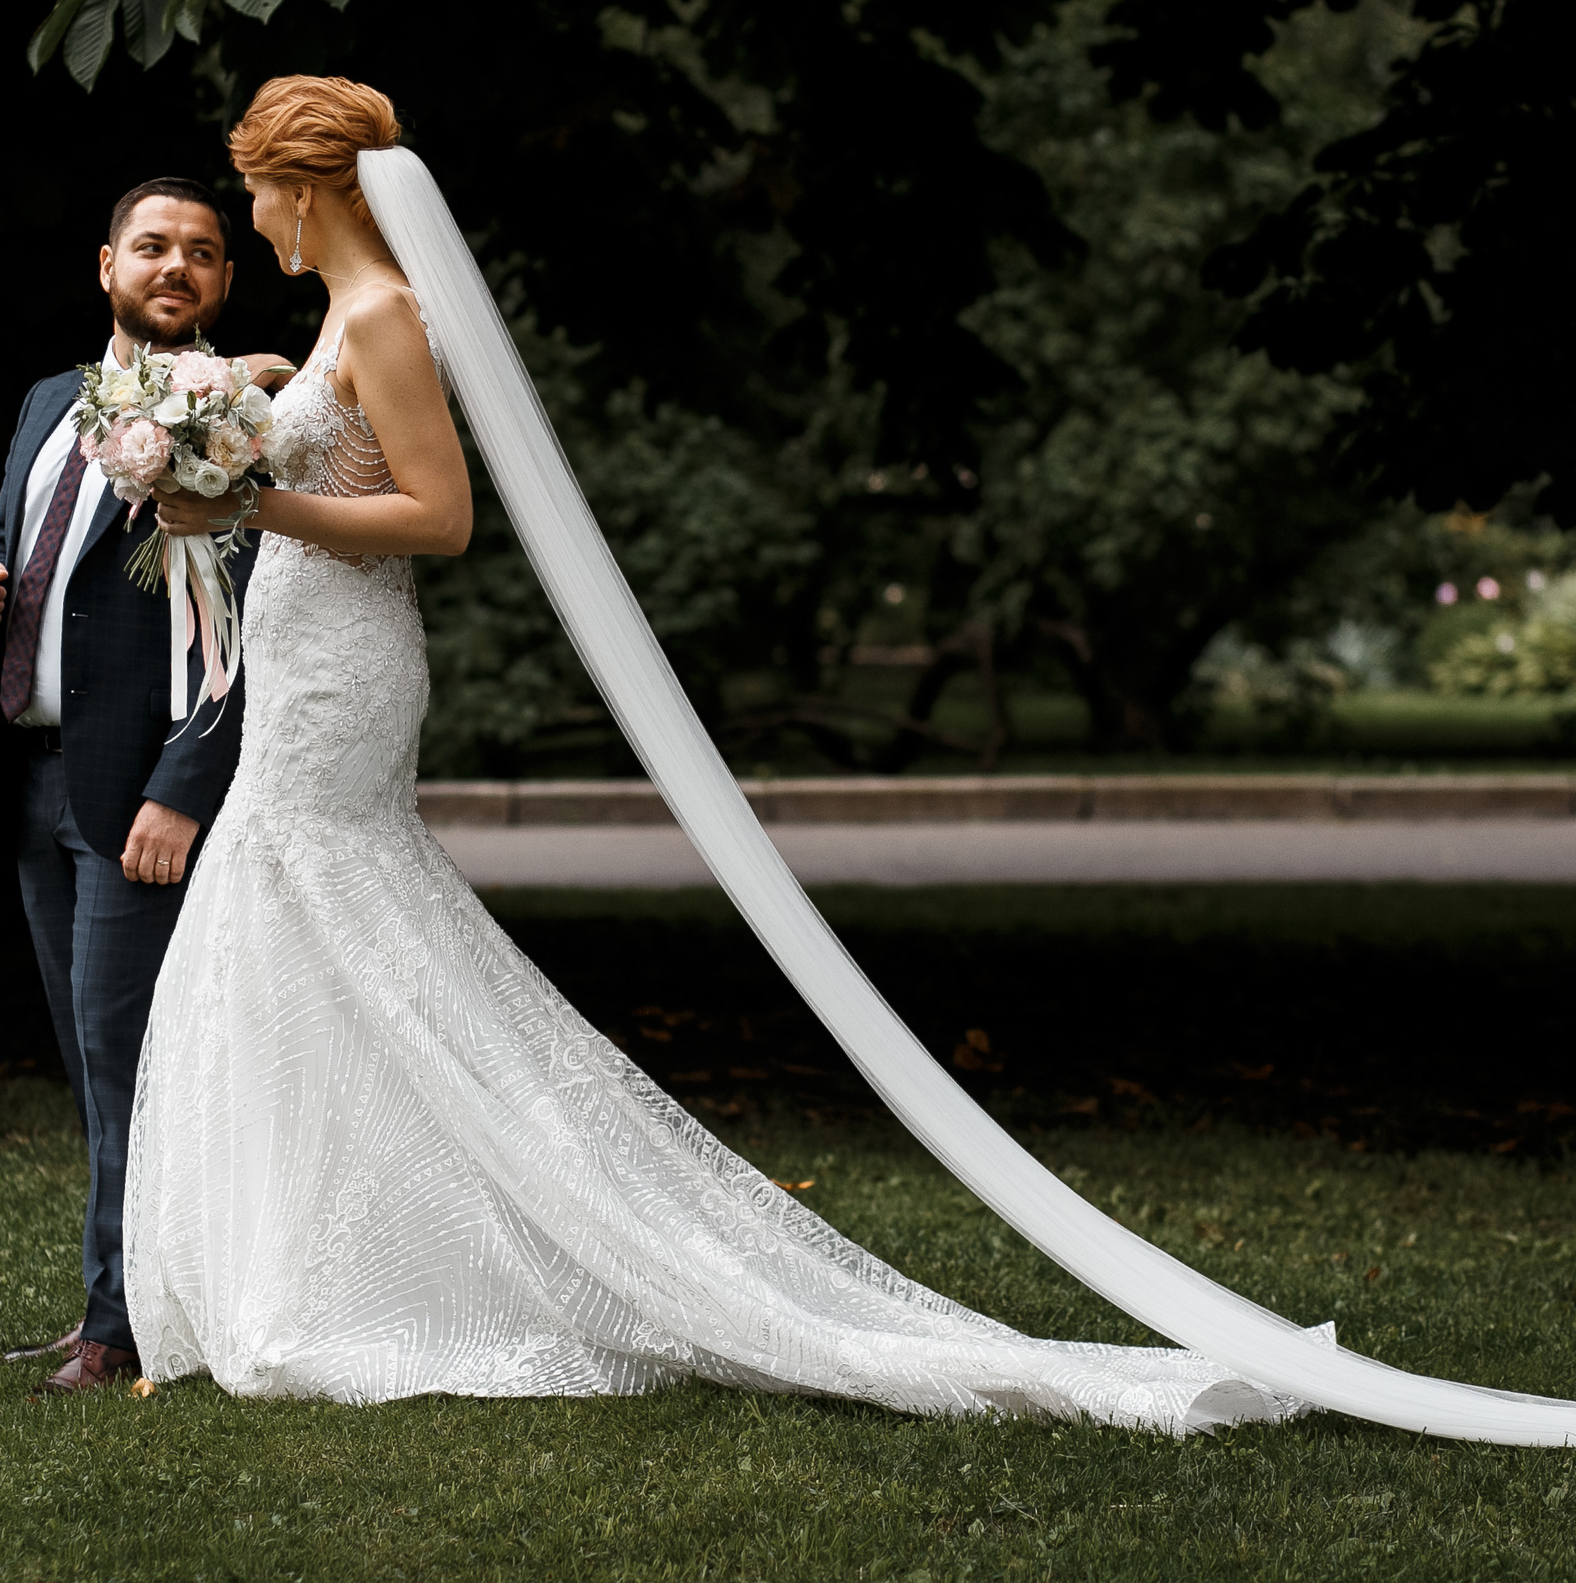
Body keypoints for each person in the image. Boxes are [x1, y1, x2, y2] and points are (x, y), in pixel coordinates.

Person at [118, 78, 1304, 1433]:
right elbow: (347, 453)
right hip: (304, 658)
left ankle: (432, 1249)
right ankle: (310, 1261)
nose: (250, 214)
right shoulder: (335, 319)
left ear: (306, 188)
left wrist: (255, 492)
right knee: (304, 930)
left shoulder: (383, 312)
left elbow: (440, 516)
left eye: (258, 190)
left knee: (336, 911)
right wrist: (255, 408)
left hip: (346, 673)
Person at [0, 177, 285, 1395]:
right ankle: (123, 1297)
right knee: (95, 1061)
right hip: (31, 779)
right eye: (154, 247)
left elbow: (255, 623)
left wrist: (184, 786)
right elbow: (6, 533)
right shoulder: (50, 399)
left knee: (130, 1061)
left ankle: (122, 1329)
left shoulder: (236, 416)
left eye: (204, 252)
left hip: (135, 797)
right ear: (107, 266)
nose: (177, 267)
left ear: (225, 285)